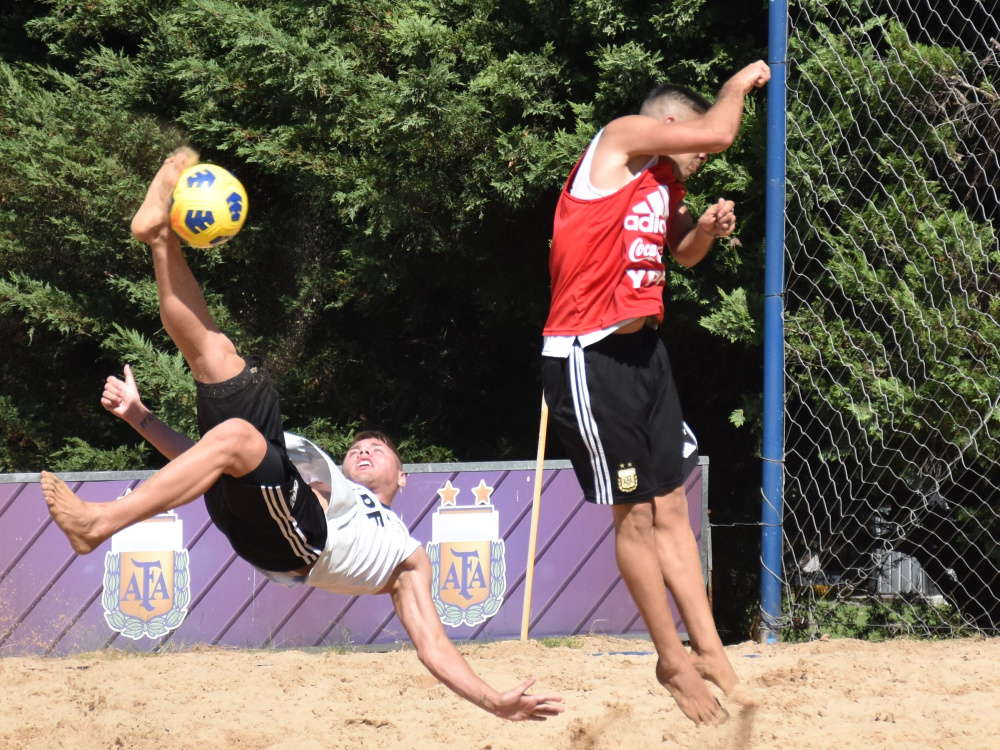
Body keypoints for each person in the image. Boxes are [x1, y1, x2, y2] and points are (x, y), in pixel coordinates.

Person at [41, 150, 563, 723]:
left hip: (300, 545)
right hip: (273, 510)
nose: (364, 447)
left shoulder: (407, 557)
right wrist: (140, 417)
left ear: (402, 476)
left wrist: (494, 700)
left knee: (240, 436)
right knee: (220, 357)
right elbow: (204, 466)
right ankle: (160, 238)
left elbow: (434, 647)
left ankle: (99, 525)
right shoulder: (312, 474)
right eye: (358, 445)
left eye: (379, 447)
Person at [539, 61, 771, 726]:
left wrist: (707, 232)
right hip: (590, 354)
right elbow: (723, 132)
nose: (702, 153)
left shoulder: (661, 185)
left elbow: (680, 254)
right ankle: (670, 657)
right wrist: (738, 85)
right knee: (636, 516)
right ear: (667, 125)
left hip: (645, 353)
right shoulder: (617, 142)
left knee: (672, 505)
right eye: (692, 139)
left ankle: (711, 651)